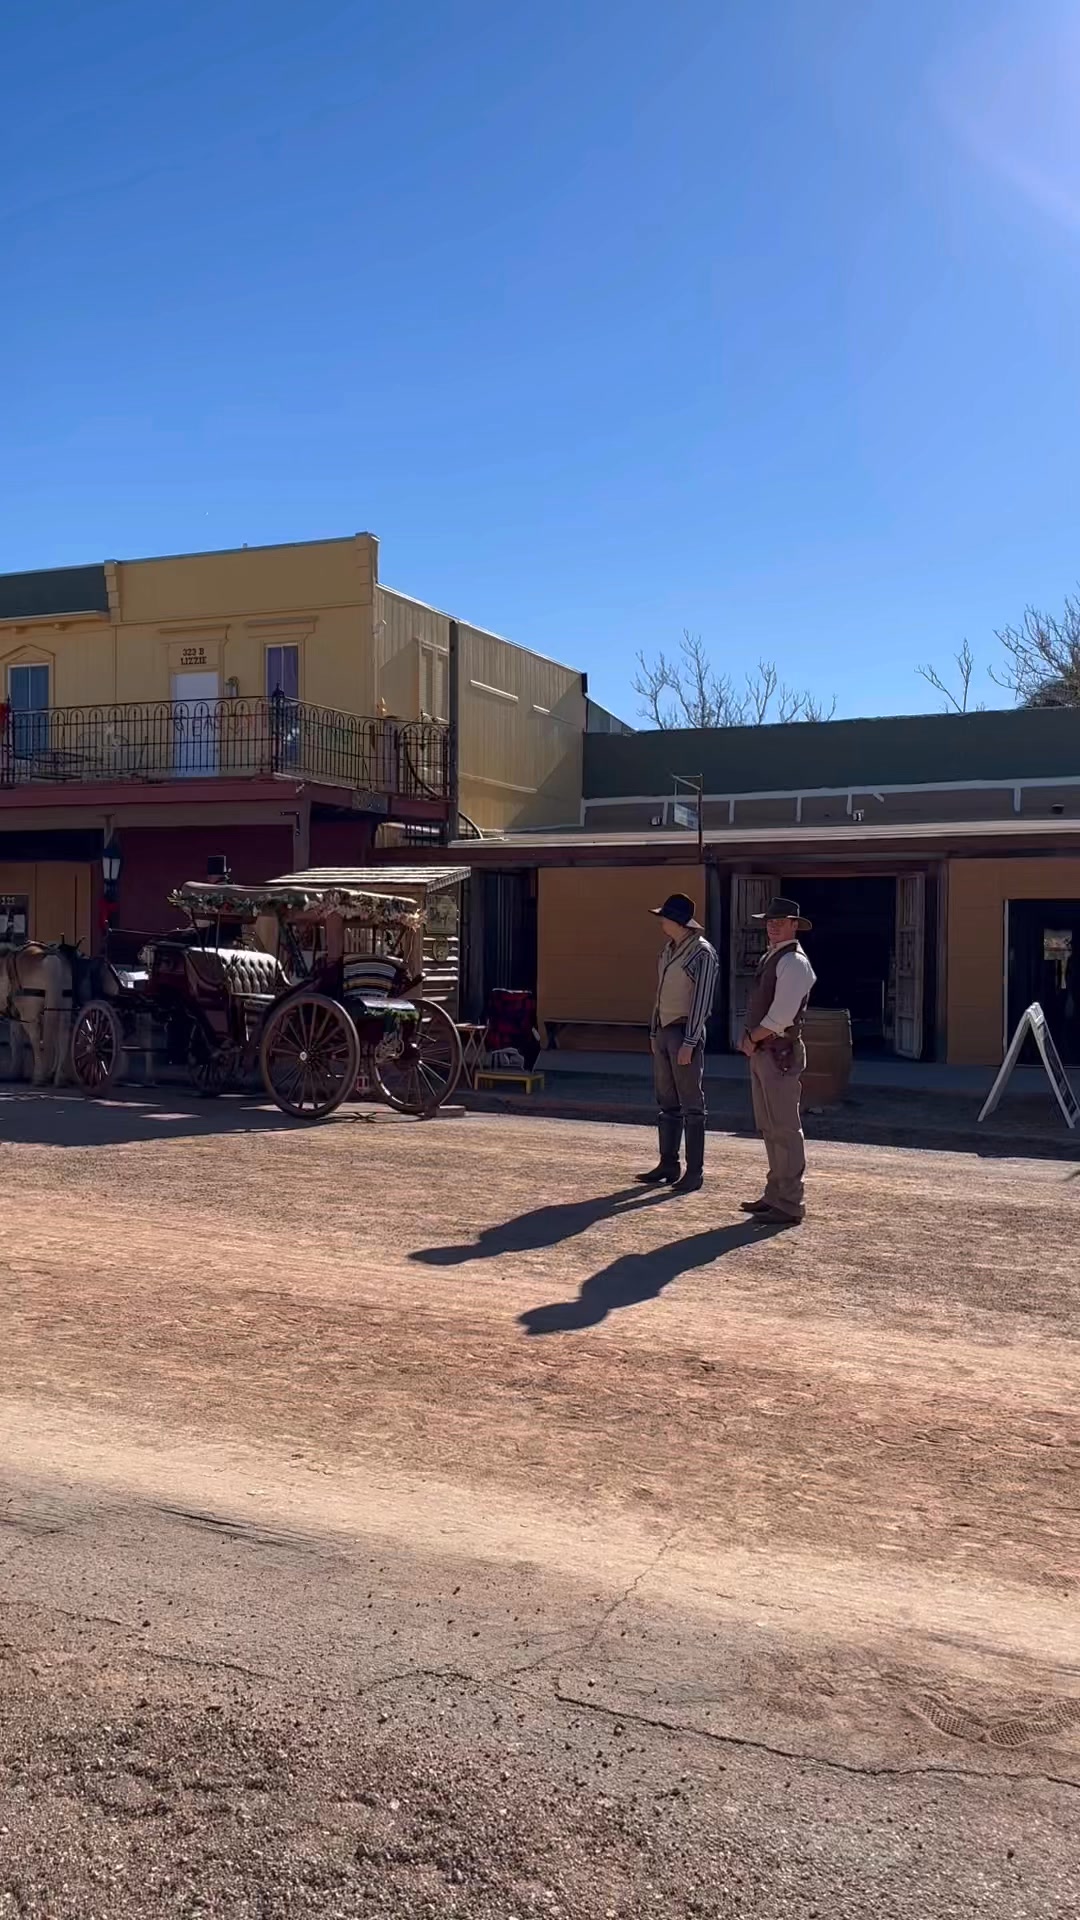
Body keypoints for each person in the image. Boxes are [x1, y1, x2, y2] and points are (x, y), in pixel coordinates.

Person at [738, 896, 816, 1225]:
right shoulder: (777, 958)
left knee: (784, 1128)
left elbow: (781, 1015)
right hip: (767, 1050)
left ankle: (789, 1200)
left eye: (780, 921)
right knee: (770, 1127)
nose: (772, 925)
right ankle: (776, 1194)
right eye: (770, 921)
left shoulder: (793, 962)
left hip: (777, 1051)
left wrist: (753, 1037)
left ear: (794, 925)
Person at [636, 892, 719, 1195]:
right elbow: (659, 995)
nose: (661, 921)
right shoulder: (668, 951)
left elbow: (702, 1000)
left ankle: (694, 1172)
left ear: (678, 922)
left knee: (691, 1104)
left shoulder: (702, 953)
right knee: (666, 1100)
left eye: (665, 917)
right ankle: (668, 1163)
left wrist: (691, 1040)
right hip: (664, 1031)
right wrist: (653, 1031)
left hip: (684, 1031)